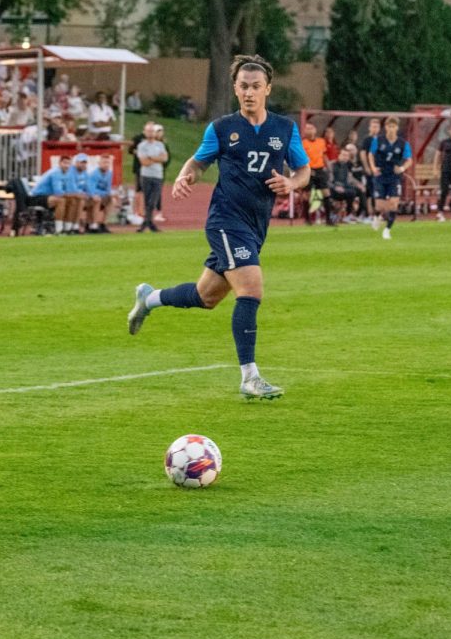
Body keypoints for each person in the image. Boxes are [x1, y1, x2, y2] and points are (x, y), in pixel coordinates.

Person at [127, 54, 310, 400]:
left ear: (267, 89)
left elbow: (303, 169)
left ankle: (148, 298)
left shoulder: (285, 129)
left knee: (205, 297)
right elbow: (198, 162)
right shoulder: (222, 128)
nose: (249, 92)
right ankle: (250, 377)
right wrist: (185, 176)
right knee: (251, 289)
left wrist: (292, 184)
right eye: (243, 86)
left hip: (256, 226)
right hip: (226, 220)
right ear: (235, 89)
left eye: (256, 86)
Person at [369, 116, 412, 240]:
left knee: (393, 205)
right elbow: (371, 154)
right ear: (386, 127)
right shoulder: (378, 140)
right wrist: (373, 167)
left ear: (397, 128)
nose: (391, 129)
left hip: (394, 177)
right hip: (381, 175)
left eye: (393, 126)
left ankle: (387, 230)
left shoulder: (403, 144)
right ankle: (377, 216)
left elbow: (409, 160)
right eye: (389, 126)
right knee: (379, 206)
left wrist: (402, 168)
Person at [135, 122, 167, 232]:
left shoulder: (160, 145)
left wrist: (151, 158)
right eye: (148, 131)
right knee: (147, 199)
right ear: (144, 132)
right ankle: (149, 223)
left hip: (158, 175)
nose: (150, 133)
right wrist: (157, 158)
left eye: (152, 131)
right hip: (146, 175)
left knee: (153, 200)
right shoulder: (141, 145)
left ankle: (146, 222)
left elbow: (164, 158)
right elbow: (144, 162)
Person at [32, 155, 73, 233]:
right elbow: (59, 192)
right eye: (65, 163)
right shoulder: (56, 173)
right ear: (59, 163)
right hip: (37, 197)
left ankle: (68, 228)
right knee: (61, 201)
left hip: (47, 196)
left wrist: (72, 195)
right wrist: (74, 194)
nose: (67, 166)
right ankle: (59, 229)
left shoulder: (65, 174)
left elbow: (67, 190)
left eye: (69, 164)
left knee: (71, 201)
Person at [300, 122, 330, 224]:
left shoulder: (321, 141)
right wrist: (306, 168)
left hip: (320, 169)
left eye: (311, 128)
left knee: (326, 193)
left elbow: (324, 155)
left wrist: (328, 167)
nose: (309, 130)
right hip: (309, 170)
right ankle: (307, 219)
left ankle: (328, 219)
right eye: (307, 129)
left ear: (315, 130)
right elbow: (301, 158)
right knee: (306, 195)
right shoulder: (303, 143)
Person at [327, 146, 364, 223]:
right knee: (351, 192)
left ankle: (358, 215)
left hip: (345, 187)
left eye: (347, 156)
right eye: (344, 155)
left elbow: (350, 179)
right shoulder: (332, 165)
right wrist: (335, 187)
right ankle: (346, 215)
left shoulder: (346, 166)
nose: (345, 157)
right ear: (339, 155)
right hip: (333, 189)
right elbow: (327, 181)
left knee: (360, 191)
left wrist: (359, 184)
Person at [85, 154, 114, 233]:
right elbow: (91, 190)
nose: (106, 165)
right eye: (104, 162)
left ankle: (103, 224)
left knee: (112, 200)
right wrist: (102, 193)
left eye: (108, 163)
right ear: (99, 163)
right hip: (89, 196)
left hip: (101, 195)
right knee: (97, 199)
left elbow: (108, 188)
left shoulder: (110, 173)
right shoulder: (94, 174)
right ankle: (93, 225)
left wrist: (109, 194)